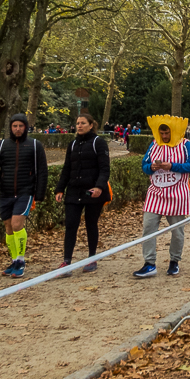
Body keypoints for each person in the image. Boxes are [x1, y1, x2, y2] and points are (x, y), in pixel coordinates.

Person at [0, 114, 48, 278]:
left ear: (26, 127)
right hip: (5, 192)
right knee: (8, 227)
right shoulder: (1, 145)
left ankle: (20, 261)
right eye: (14, 126)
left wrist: (39, 193)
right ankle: (13, 260)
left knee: (17, 224)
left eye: (21, 126)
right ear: (10, 128)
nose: (17, 129)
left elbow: (42, 171)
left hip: (25, 192)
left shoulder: (34, 145)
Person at [135, 116, 190, 278]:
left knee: (177, 231)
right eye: (161, 133)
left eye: (167, 133)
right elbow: (144, 165)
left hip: (177, 194)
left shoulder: (185, 145)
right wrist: (152, 167)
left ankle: (174, 261)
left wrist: (172, 166)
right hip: (155, 194)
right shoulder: (154, 144)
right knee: (148, 228)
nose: (164, 136)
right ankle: (149, 264)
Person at [54, 113, 111, 274]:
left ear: (91, 125)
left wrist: (99, 187)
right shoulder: (72, 144)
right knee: (71, 225)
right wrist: (59, 189)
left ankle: (91, 258)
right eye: (77, 123)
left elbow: (104, 168)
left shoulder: (98, 143)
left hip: (92, 192)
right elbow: (66, 169)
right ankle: (67, 262)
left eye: (83, 123)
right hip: (74, 190)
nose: (79, 126)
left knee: (90, 224)